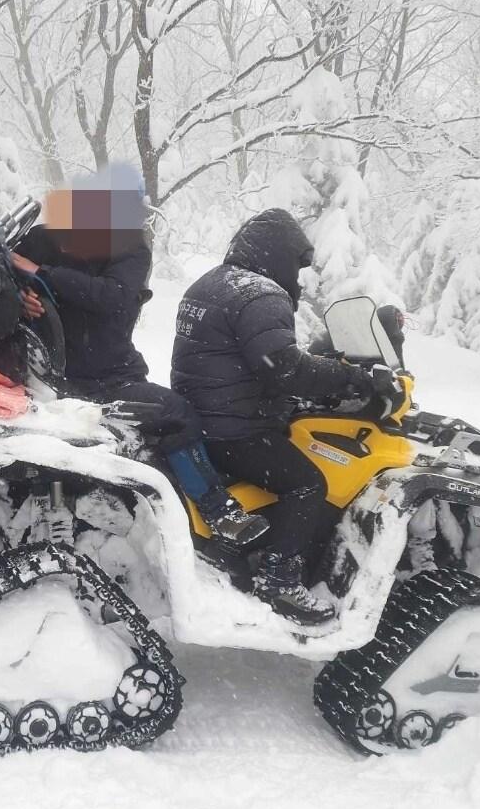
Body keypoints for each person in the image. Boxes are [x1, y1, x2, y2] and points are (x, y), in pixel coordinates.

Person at [171, 208, 403, 624]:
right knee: (309, 482)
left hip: (201, 416)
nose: (297, 278)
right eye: (296, 266)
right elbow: (284, 367)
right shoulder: (261, 294)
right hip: (233, 429)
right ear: (278, 254)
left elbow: (240, 359)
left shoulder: (212, 283)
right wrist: (353, 378)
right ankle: (280, 578)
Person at [12, 171, 268, 545]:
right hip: (74, 380)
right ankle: (217, 509)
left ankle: (201, 504)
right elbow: (5, 268)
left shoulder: (129, 251)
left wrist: (42, 274)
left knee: (173, 413)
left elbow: (112, 297)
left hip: (110, 374)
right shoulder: (42, 239)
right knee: (177, 414)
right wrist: (21, 297)